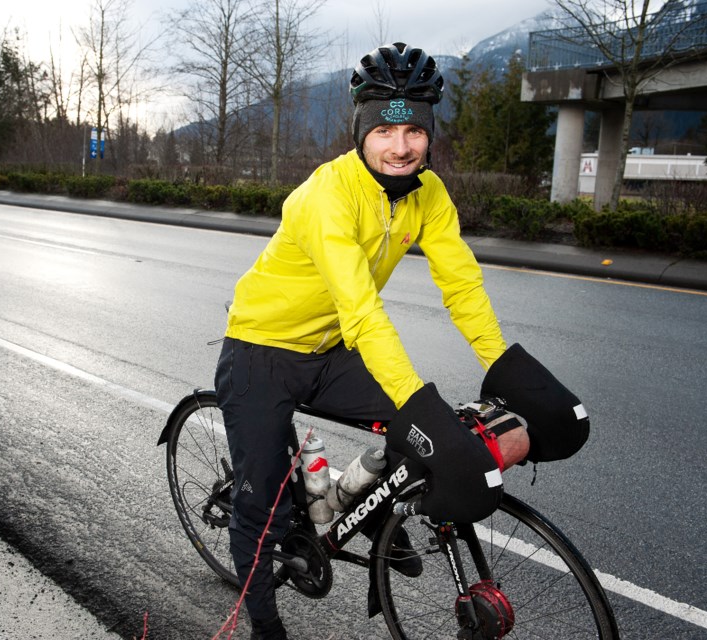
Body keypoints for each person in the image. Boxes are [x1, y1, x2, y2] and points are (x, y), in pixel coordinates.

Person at [214, 43, 529, 639]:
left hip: (329, 352)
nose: (401, 146)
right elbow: (363, 311)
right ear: (361, 128)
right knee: (261, 511)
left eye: (414, 129)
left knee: (419, 437)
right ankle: (264, 626)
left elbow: (462, 287)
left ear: (430, 133)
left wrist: (505, 367)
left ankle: (380, 514)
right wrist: (419, 400)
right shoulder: (325, 195)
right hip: (261, 352)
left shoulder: (428, 193)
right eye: (385, 128)